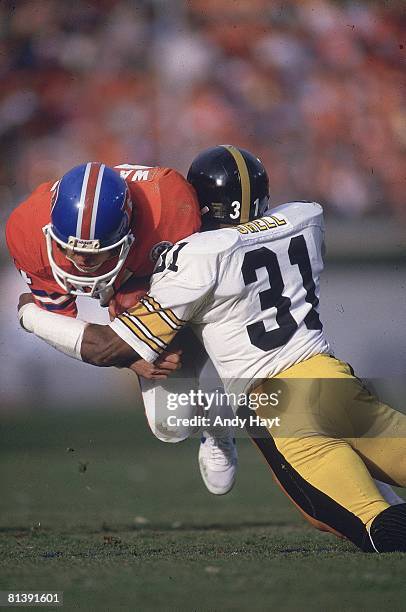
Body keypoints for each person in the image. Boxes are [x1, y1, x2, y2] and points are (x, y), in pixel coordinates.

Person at [16, 145, 405, 552]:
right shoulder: (306, 217)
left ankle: (216, 420)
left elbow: (106, 348)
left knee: (368, 524)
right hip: (334, 380)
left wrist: (29, 315)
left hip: (277, 404)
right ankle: (216, 425)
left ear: (198, 211)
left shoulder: (194, 258)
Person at [6, 160, 237, 495]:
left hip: (164, 282)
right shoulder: (26, 229)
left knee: (174, 405)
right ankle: (212, 413)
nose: (81, 262)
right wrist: (130, 355)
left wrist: (165, 336)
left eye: (97, 252)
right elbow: (69, 328)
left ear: (128, 230)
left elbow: (201, 287)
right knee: (171, 427)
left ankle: (218, 425)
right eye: (69, 249)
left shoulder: (170, 210)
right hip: (130, 275)